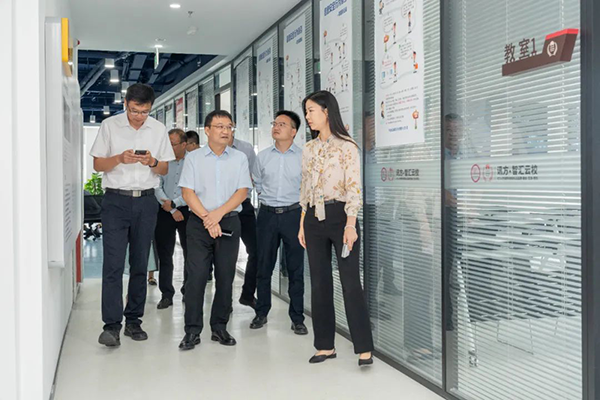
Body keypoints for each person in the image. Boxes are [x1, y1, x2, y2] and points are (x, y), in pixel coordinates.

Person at [90, 83, 175, 347]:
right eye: (135, 110)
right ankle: (111, 326)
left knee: (140, 263)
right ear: (126, 103)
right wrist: (119, 159)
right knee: (113, 265)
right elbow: (97, 164)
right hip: (115, 201)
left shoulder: (158, 129)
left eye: (145, 112)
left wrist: (151, 162)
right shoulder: (110, 126)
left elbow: (164, 169)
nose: (139, 116)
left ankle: (134, 321)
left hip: (146, 202)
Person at [298, 90, 374, 366]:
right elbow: (305, 189)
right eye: (306, 112)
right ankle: (325, 346)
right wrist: (302, 224)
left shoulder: (347, 146)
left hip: (341, 217)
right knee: (319, 283)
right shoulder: (308, 148)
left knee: (350, 282)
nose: (307, 117)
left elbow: (354, 189)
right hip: (313, 218)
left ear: (327, 111)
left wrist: (351, 225)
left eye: (311, 111)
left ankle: (364, 347)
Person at [178, 110, 252, 351]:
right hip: (199, 224)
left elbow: (242, 191)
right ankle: (192, 330)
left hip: (228, 222)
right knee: (197, 277)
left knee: (225, 276)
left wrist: (217, 215)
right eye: (220, 126)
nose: (225, 131)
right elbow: (187, 192)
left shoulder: (239, 158)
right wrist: (208, 219)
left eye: (229, 126)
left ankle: (219, 327)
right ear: (207, 130)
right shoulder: (194, 158)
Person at [249, 110, 307, 335]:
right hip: (267, 215)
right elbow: (257, 181)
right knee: (264, 266)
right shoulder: (263, 156)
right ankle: (261, 312)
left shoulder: (303, 157)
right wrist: (266, 198)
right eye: (275, 123)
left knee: (295, 268)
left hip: (294, 215)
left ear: (293, 131)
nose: (276, 127)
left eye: (282, 124)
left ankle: (297, 317)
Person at [154, 128, 190, 309]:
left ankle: (188, 291)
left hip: (188, 210)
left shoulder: (193, 161)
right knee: (165, 254)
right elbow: (156, 185)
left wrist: (176, 204)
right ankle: (166, 294)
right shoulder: (162, 161)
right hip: (164, 211)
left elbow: (194, 188)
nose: (170, 147)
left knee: (190, 253)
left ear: (184, 144)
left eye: (173, 144)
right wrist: (170, 208)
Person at [228, 131, 259, 309]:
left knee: (256, 250)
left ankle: (247, 294)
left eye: (227, 126)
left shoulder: (245, 148)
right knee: (224, 256)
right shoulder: (210, 151)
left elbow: (254, 176)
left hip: (244, 205)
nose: (224, 130)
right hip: (222, 209)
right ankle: (225, 301)